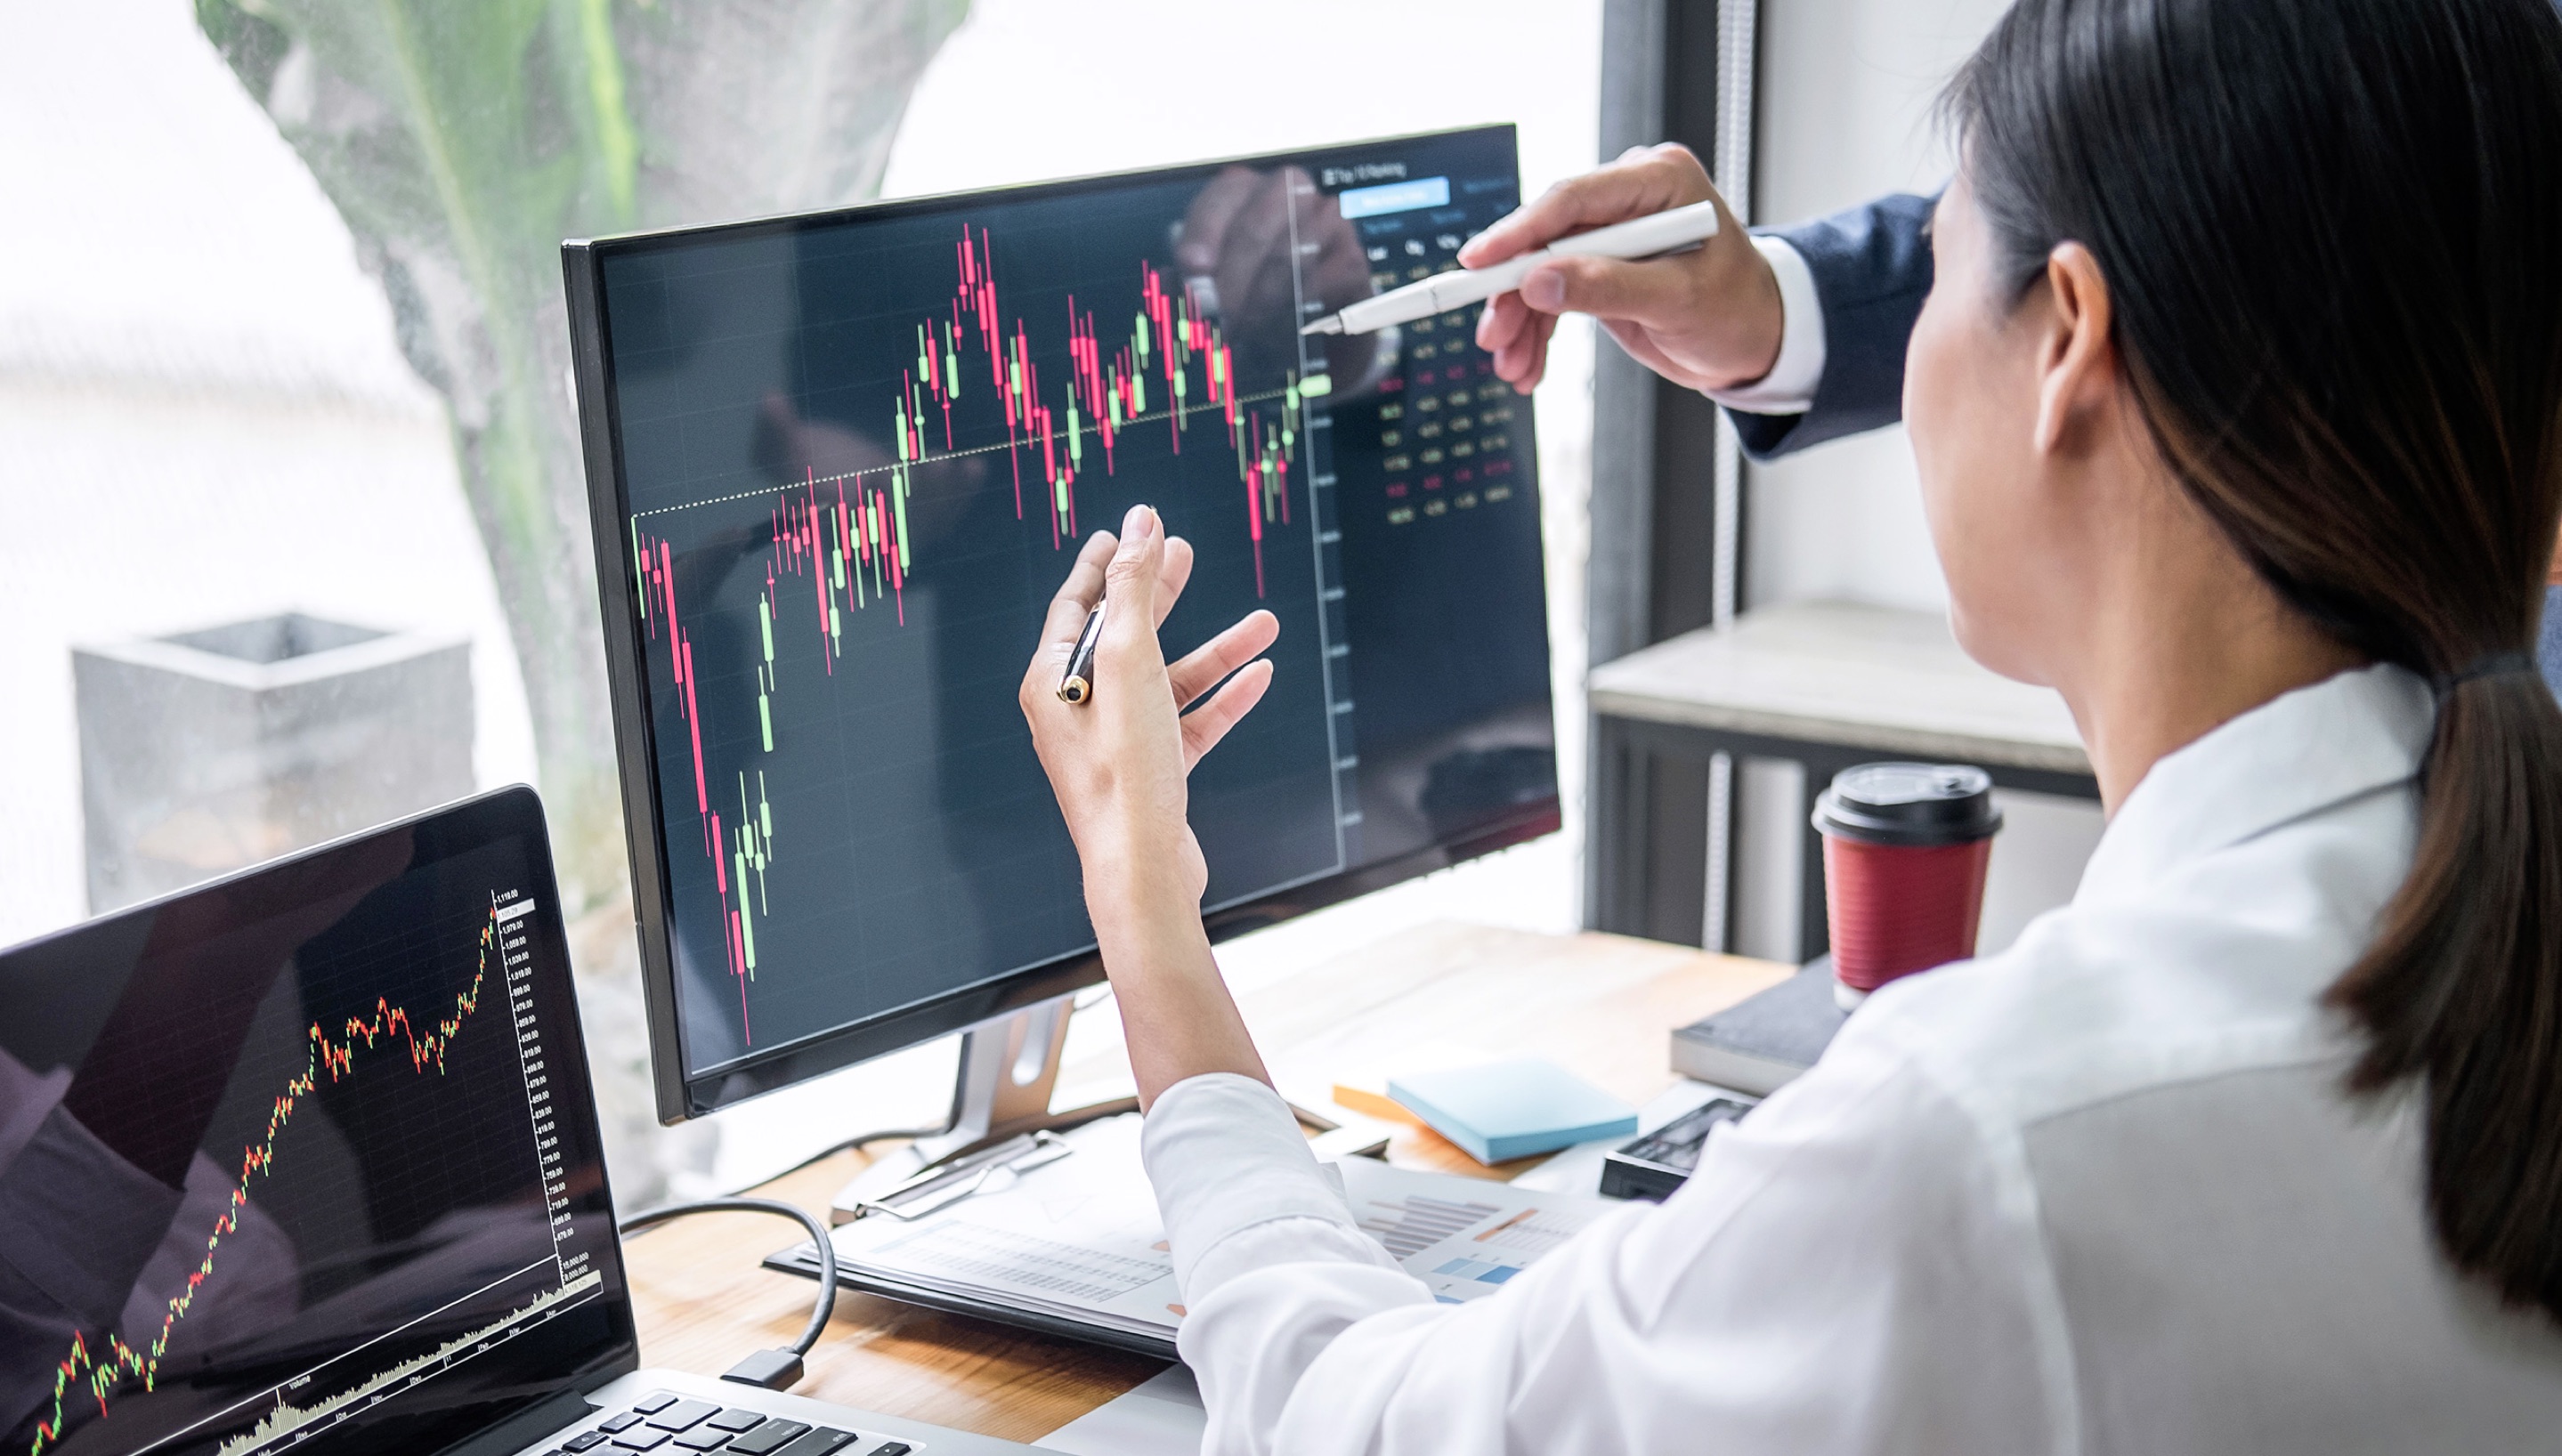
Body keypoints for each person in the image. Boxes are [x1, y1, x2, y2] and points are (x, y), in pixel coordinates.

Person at [1017, 0, 2562, 1450]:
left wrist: (1142, 897)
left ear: (2070, 341)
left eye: (1947, 268)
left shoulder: (1980, 1138)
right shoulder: (2472, 915)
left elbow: (1346, 1426)